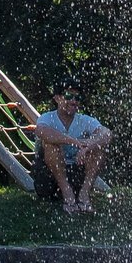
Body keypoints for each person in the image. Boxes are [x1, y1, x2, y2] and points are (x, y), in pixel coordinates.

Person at [35, 89, 113, 217]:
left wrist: (87, 146)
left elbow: (107, 133)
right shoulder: (47, 118)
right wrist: (74, 142)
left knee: (98, 147)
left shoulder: (84, 120)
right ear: (57, 98)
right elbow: (42, 131)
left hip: (76, 172)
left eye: (77, 98)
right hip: (49, 177)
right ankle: (67, 193)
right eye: (68, 96)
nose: (73, 101)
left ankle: (84, 194)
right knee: (50, 145)